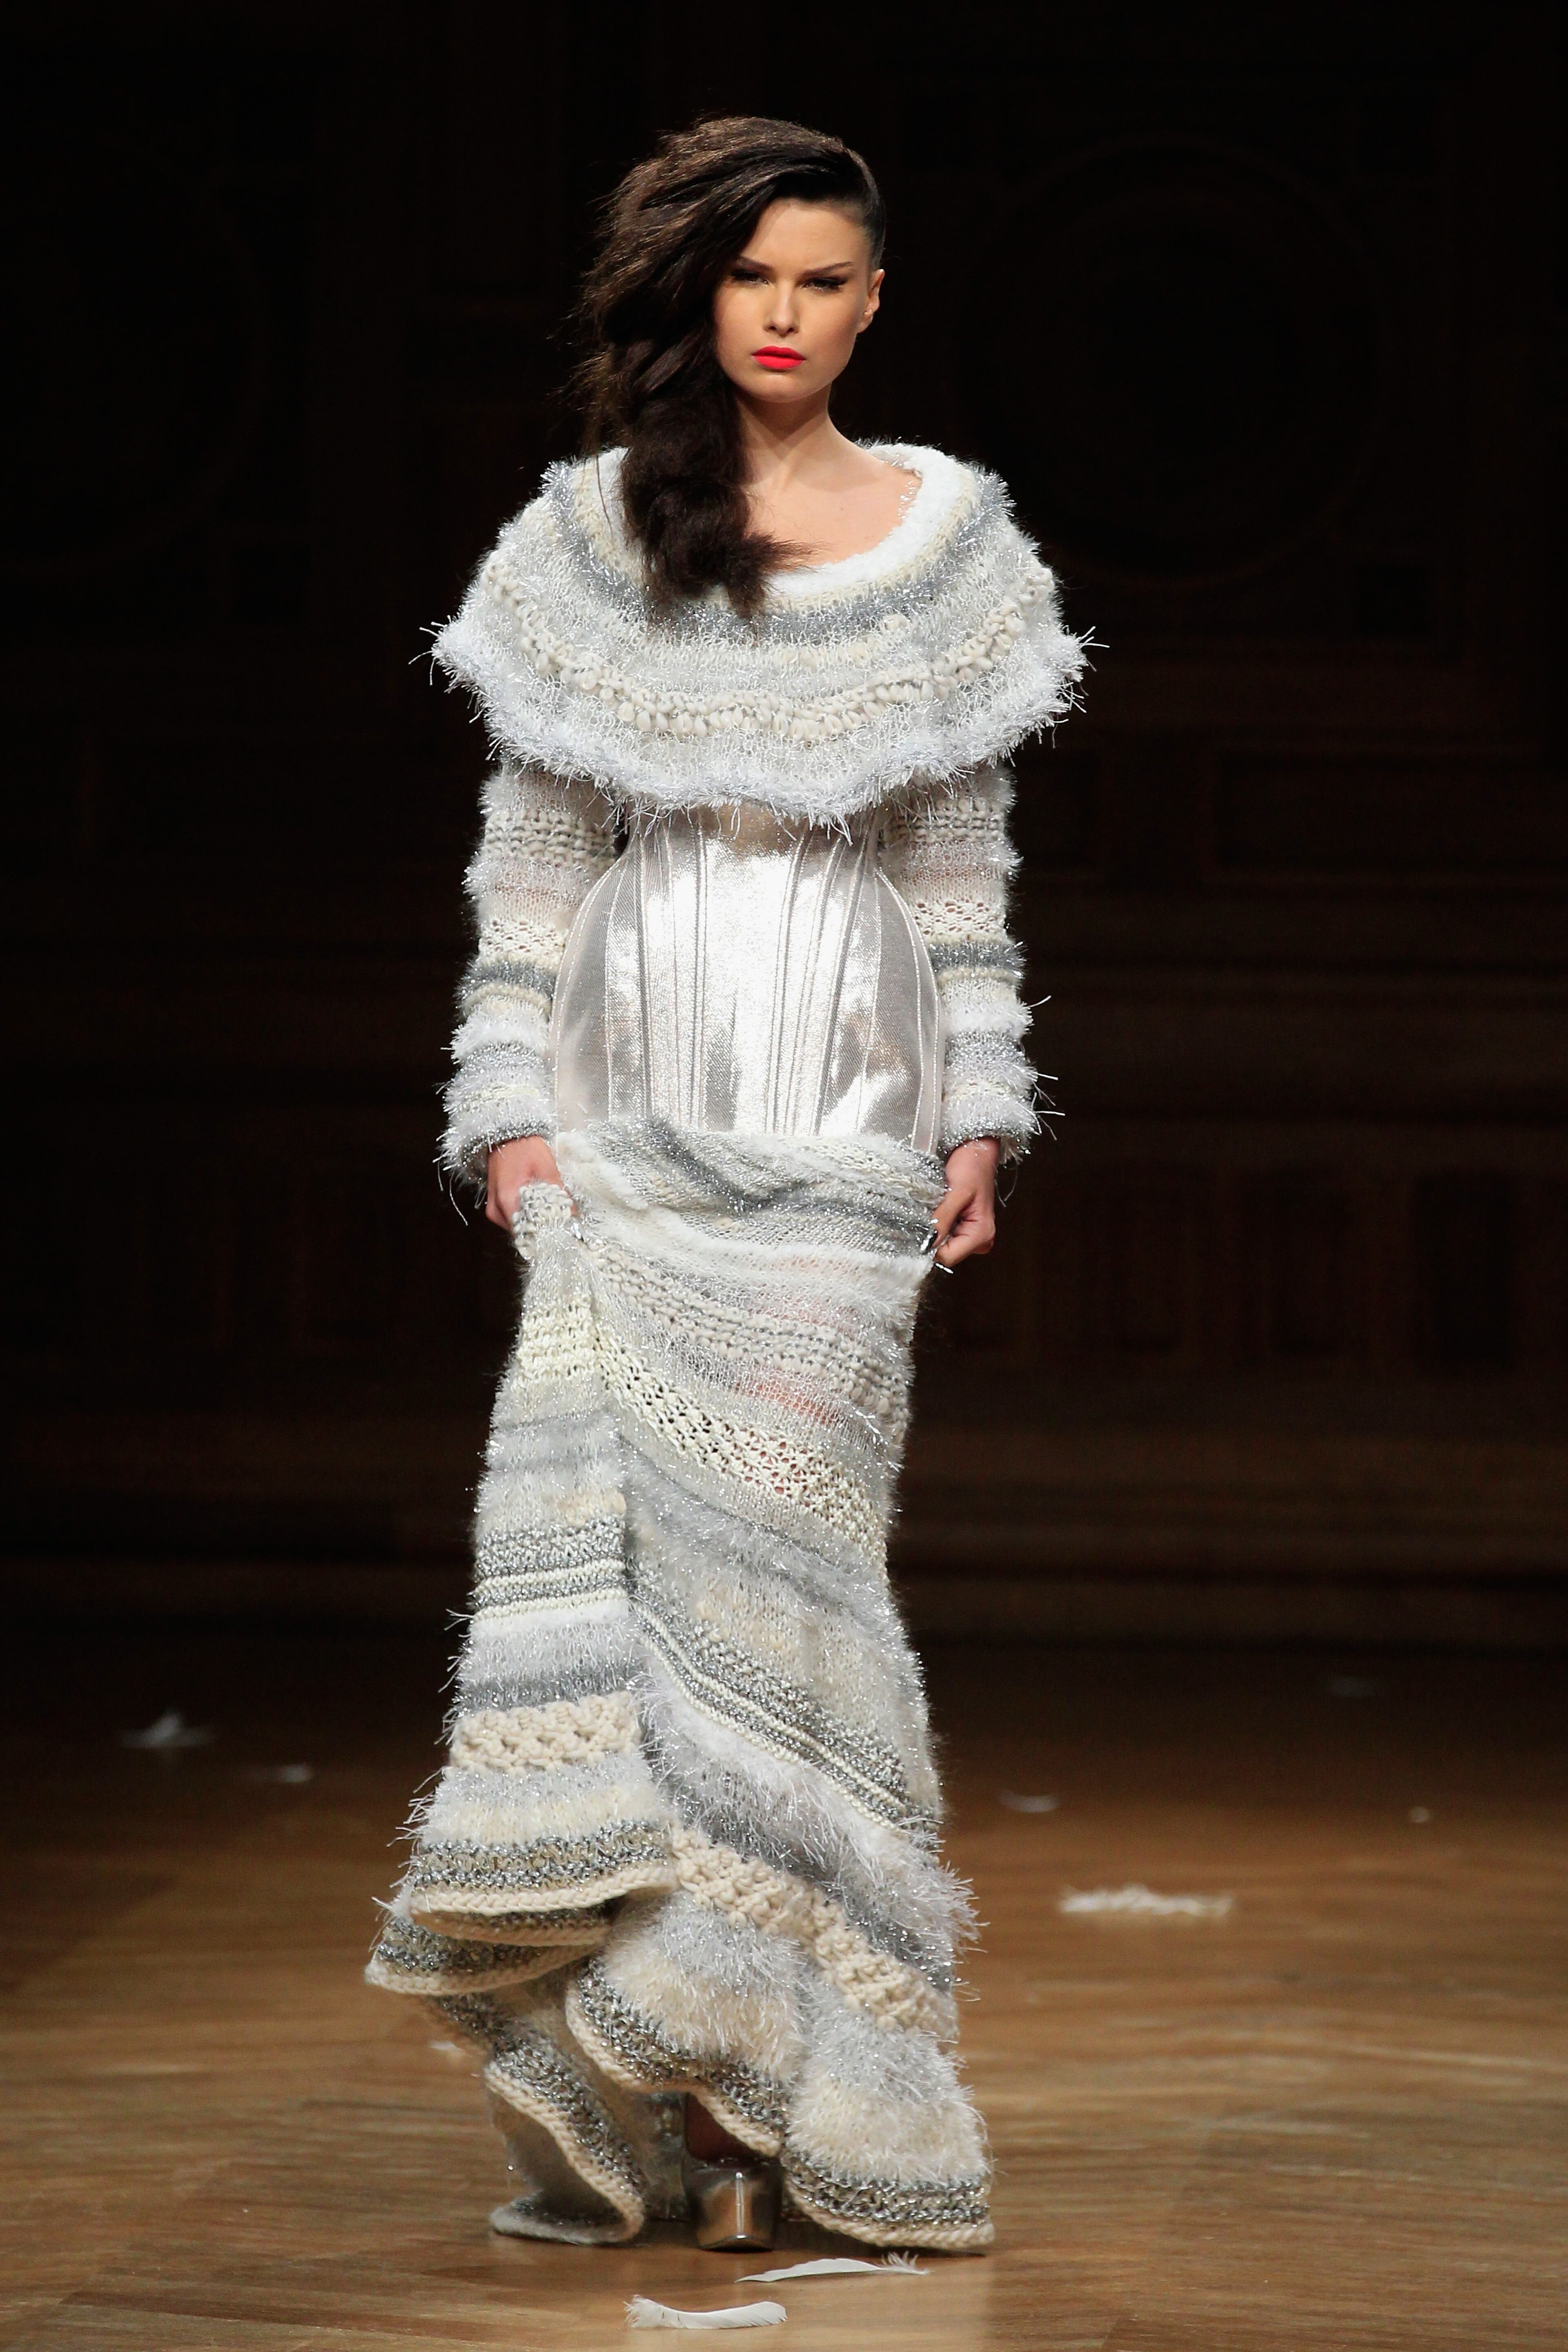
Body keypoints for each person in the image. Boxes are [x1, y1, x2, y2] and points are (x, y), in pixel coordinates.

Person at [368, 114, 1085, 2256]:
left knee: (792, 1570)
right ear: (702, 293)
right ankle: (675, 2094)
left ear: (875, 305)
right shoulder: (587, 533)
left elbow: (959, 871)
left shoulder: (949, 538)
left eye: (822, 280)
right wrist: (506, 1105)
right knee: (644, 1577)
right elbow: (528, 867)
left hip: (848, 1082)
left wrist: (978, 1104)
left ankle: (789, 2057)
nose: (783, 313)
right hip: (629, 1075)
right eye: (751, 275)